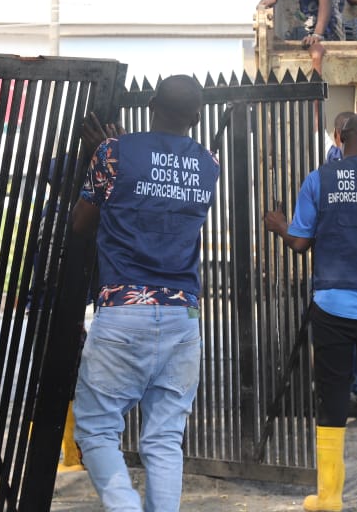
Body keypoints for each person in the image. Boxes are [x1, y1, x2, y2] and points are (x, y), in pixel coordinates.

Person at [70, 75, 220, 512]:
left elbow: (80, 223)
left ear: (151, 104)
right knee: (165, 438)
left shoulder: (113, 153)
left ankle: (124, 507)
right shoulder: (208, 164)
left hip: (124, 311)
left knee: (96, 430)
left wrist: (101, 156)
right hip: (182, 316)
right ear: (197, 116)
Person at [263, 114, 357, 512]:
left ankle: (329, 497)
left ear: (340, 139)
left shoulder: (319, 180)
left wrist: (279, 225)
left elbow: (300, 242)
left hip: (333, 306)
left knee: (333, 397)